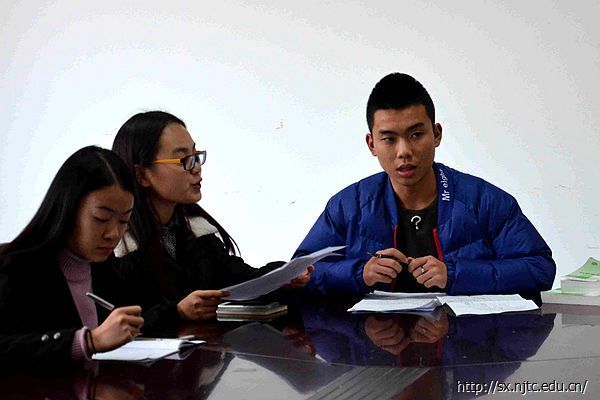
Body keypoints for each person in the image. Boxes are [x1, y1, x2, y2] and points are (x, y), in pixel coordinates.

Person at [294, 73, 555, 302]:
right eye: (389, 139)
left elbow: (540, 269)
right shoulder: (347, 206)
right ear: (372, 144)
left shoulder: (485, 201)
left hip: (466, 340)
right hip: (374, 341)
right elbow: (300, 274)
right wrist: (360, 273)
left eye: (416, 135)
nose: (404, 151)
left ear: (437, 134)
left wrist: (453, 274)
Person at [109, 111, 311, 327]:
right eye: (184, 160)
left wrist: (282, 275)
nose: (196, 168)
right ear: (142, 175)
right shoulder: (114, 245)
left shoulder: (197, 233)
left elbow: (237, 280)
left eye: (196, 156)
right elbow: (105, 322)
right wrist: (176, 313)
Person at [0, 146, 144, 368]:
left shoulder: (107, 270)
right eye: (101, 218)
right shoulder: (16, 270)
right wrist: (86, 342)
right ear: (67, 208)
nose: (114, 234)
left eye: (124, 221)